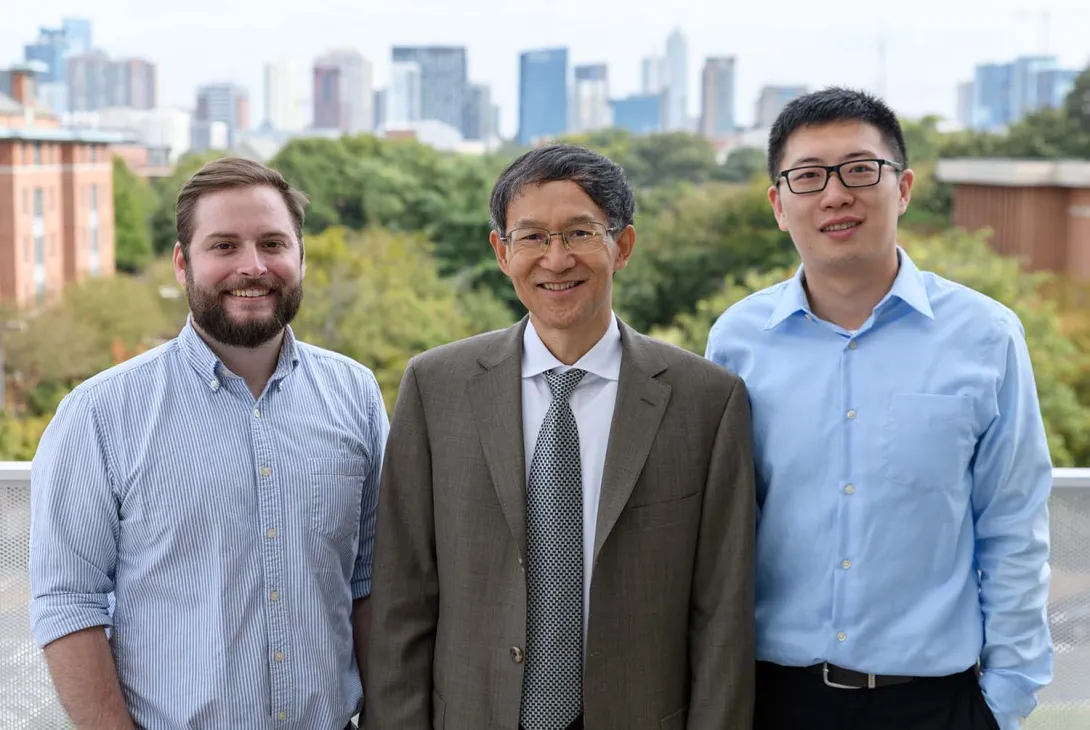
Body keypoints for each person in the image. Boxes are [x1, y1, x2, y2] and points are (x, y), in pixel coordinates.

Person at [365, 143, 756, 730]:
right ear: (502, 251)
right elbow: (401, 603)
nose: (555, 259)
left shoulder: (707, 401)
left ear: (621, 246)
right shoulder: (434, 387)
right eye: (532, 237)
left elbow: (722, 617)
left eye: (578, 233)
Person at [704, 87, 1053, 730]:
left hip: (935, 703)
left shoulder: (986, 335)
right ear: (779, 205)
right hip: (774, 699)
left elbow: (1011, 524)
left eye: (861, 170)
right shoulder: (737, 340)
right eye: (807, 177)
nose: (836, 194)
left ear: (905, 187)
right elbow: (722, 528)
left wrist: (1002, 702)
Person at [29, 157, 387, 730]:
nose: (253, 266)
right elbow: (68, 604)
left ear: (300, 258)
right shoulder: (100, 414)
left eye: (273, 243)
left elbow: (370, 581)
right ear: (181, 263)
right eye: (224, 246)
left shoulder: (356, 394)